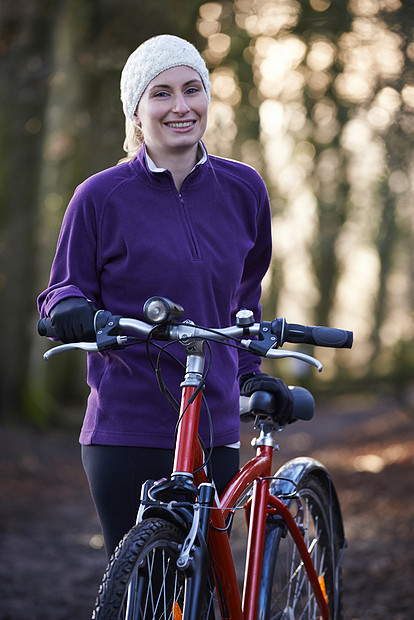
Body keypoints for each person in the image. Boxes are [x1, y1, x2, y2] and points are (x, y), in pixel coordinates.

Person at [37, 34, 293, 559]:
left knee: (205, 583)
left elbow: (244, 299)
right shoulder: (99, 196)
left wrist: (249, 371)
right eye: (161, 94)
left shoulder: (244, 189)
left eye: (192, 89)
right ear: (136, 112)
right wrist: (78, 316)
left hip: (214, 423)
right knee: (136, 586)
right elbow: (61, 290)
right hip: (124, 425)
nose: (181, 107)